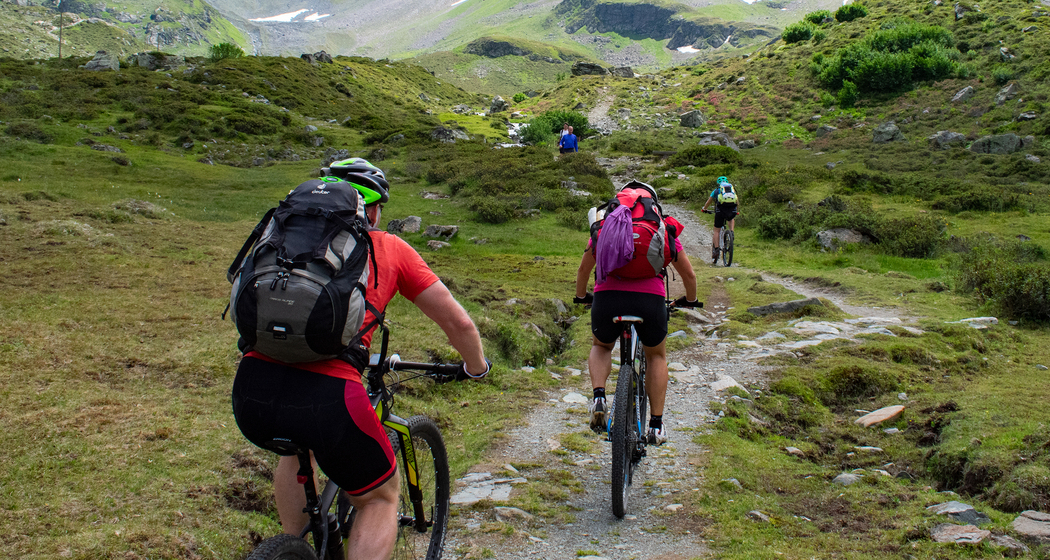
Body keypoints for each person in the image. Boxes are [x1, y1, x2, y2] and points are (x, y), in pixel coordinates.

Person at [231, 159, 490, 560]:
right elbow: (457, 322)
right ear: (370, 207)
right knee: (380, 498)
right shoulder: (389, 247)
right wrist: (476, 367)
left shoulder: (281, 236)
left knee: (294, 453)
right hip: (331, 396)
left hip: (252, 390)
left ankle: (297, 550)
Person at [573, 181, 698, 445]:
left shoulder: (606, 224)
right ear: (652, 204)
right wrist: (690, 299)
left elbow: (583, 271)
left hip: (608, 297)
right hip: (650, 301)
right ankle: (656, 425)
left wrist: (582, 297)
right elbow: (689, 274)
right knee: (656, 356)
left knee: (602, 346)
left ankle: (598, 397)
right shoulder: (662, 227)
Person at [700, 176, 739, 263]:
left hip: (720, 212)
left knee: (716, 230)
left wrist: (704, 208)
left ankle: (717, 249)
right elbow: (737, 201)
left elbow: (708, 202)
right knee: (731, 218)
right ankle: (731, 232)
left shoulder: (716, 191)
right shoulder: (732, 190)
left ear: (719, 183)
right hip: (732, 210)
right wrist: (735, 210)